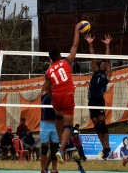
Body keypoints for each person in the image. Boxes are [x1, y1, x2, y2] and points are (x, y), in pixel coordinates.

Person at [42, 22, 83, 164]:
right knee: (68, 124)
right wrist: (76, 29)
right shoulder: (67, 62)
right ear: (60, 56)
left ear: (50, 59)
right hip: (68, 95)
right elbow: (75, 46)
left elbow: (47, 89)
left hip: (56, 97)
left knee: (58, 117)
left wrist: (50, 94)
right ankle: (61, 149)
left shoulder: (48, 71)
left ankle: (62, 142)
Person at [85, 33, 113, 159]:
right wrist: (90, 43)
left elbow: (108, 60)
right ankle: (105, 148)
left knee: (102, 124)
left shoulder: (107, 75)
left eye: (104, 64)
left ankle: (107, 146)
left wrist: (107, 46)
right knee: (96, 125)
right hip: (91, 100)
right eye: (100, 63)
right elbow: (92, 58)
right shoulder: (95, 72)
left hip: (99, 100)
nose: (102, 64)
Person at [40, 90, 59, 173]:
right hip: (45, 123)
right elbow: (45, 86)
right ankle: (43, 169)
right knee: (44, 147)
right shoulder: (44, 95)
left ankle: (54, 169)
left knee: (54, 148)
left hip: (56, 124)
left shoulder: (58, 96)